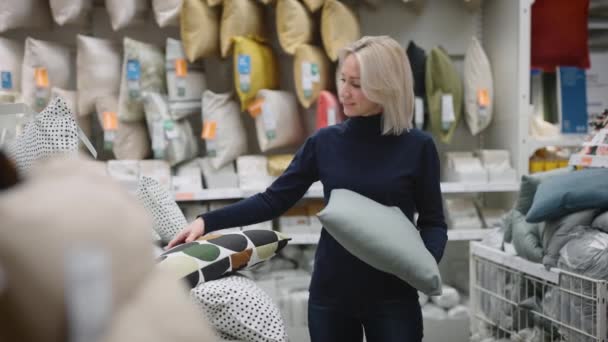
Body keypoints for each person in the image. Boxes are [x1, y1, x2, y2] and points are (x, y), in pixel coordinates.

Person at [167, 36, 447, 342]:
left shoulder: (418, 147)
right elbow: (274, 200)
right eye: (343, 79)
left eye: (356, 84)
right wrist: (207, 222)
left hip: (394, 296)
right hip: (332, 295)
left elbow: (433, 222)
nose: (344, 92)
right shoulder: (325, 143)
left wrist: (424, 265)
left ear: (387, 85)